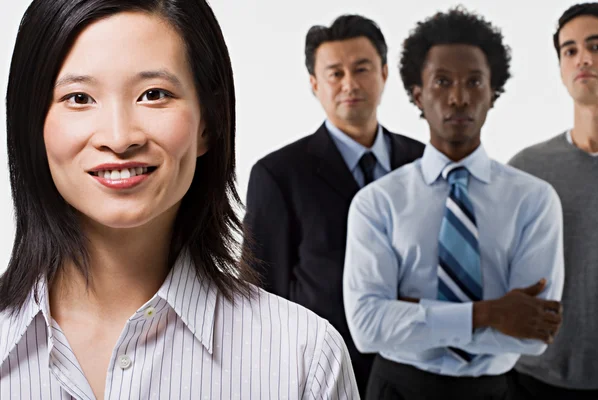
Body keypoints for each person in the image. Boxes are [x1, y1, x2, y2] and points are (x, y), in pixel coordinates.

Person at [0, 1, 358, 399]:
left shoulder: (303, 358)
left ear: (209, 123)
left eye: (154, 94)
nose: (119, 138)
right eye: (79, 98)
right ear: (32, 125)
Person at [342, 7, 565, 400]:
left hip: (493, 391)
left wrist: (413, 313)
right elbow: (367, 327)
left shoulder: (534, 200)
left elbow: (533, 336)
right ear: (418, 94)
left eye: (474, 82)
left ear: (493, 93)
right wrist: (491, 313)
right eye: (442, 81)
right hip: (398, 387)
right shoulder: (377, 203)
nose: (459, 98)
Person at [242, 14, 424, 395]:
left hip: (422, 367)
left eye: (362, 68)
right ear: (314, 84)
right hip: (329, 373)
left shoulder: (424, 162)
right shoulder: (279, 174)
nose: (350, 84)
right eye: (335, 73)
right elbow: (261, 296)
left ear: (385, 73)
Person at [508, 3, 598, 399]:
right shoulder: (526, 170)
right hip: (536, 380)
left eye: (596, 45)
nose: (583, 58)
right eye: (570, 50)